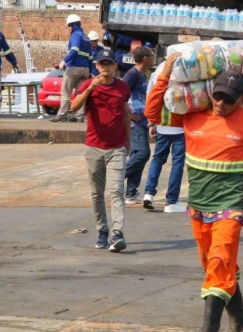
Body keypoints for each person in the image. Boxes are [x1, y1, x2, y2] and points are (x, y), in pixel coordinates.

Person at [148, 53, 243, 332]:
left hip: (231, 206)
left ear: (240, 100)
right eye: (218, 96)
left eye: (228, 99)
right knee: (213, 264)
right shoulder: (191, 117)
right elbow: (152, 113)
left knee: (219, 262)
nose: (221, 103)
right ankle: (240, 315)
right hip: (199, 206)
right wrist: (166, 72)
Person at [71, 48, 131, 252]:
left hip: (117, 148)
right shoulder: (89, 84)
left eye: (109, 64)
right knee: (97, 193)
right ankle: (102, 230)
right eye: (102, 64)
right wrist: (89, 90)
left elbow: (125, 115)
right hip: (94, 147)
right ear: (96, 66)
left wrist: (128, 143)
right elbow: (73, 107)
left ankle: (117, 233)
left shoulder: (122, 88)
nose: (106, 67)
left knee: (117, 190)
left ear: (115, 66)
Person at [142, 61, 187, 214]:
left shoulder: (160, 70)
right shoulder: (188, 70)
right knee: (177, 164)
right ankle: (171, 201)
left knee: (157, 159)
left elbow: (151, 96)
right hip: (180, 127)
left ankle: (148, 193)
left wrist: (151, 123)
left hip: (162, 126)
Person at [122, 46, 155, 205]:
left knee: (138, 156)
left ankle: (131, 193)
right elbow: (121, 94)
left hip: (143, 120)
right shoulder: (132, 74)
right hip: (135, 122)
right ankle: (117, 177)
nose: (153, 57)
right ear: (145, 58)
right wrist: (128, 114)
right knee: (143, 153)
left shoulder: (143, 74)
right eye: (151, 55)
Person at [51, 14, 92, 122]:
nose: (68, 28)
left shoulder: (76, 34)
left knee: (65, 91)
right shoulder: (86, 37)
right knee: (80, 93)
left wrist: (64, 61)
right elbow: (90, 56)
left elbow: (74, 50)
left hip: (74, 68)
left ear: (72, 25)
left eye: (68, 26)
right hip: (85, 69)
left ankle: (62, 115)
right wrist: (90, 71)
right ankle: (80, 116)